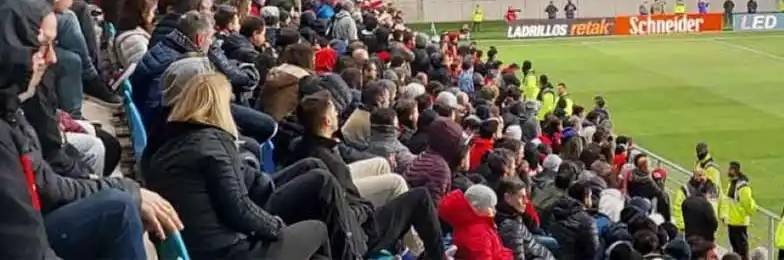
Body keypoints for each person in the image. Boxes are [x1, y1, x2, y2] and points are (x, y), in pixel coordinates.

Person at [0, 0, 182, 260]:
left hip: (40, 226)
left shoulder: (12, 110)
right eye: (43, 45)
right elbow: (27, 249)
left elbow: (48, 184)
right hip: (36, 239)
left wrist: (123, 189)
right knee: (119, 208)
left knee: (120, 202)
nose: (52, 58)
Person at [142, 72, 331, 260]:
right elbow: (240, 210)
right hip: (227, 252)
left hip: (198, 249)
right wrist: (278, 227)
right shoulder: (214, 142)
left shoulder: (165, 144)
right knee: (319, 229)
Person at [288, 90, 446, 260]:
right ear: (327, 121)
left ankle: (403, 246)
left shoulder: (305, 145)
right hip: (358, 236)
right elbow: (347, 210)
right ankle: (423, 252)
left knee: (381, 164)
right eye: (334, 111)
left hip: (342, 212)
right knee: (418, 196)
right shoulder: (329, 162)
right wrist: (369, 208)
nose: (337, 113)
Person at [438, 185, 513, 260]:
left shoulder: (473, 225)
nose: (494, 210)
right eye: (491, 206)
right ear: (478, 208)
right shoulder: (478, 232)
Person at [494, 177, 556, 260]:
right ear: (507, 197)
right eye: (521, 197)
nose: (526, 201)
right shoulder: (510, 227)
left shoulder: (512, 215)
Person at [719, 161, 756, 259]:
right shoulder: (732, 183)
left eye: (729, 169)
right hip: (732, 221)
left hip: (740, 222)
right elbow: (727, 200)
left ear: (734, 170)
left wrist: (748, 212)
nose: (727, 171)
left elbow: (747, 203)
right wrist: (724, 215)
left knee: (742, 251)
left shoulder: (742, 186)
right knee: (736, 249)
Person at [673, 168, 716, 232]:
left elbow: (713, 207)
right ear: (694, 176)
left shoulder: (710, 189)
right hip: (689, 228)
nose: (702, 177)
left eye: (704, 175)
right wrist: (682, 225)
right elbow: (678, 207)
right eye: (699, 175)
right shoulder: (685, 190)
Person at [682, 178, 718, 243]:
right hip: (703, 240)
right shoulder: (706, 205)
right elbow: (714, 223)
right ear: (708, 192)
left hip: (688, 237)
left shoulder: (686, 202)